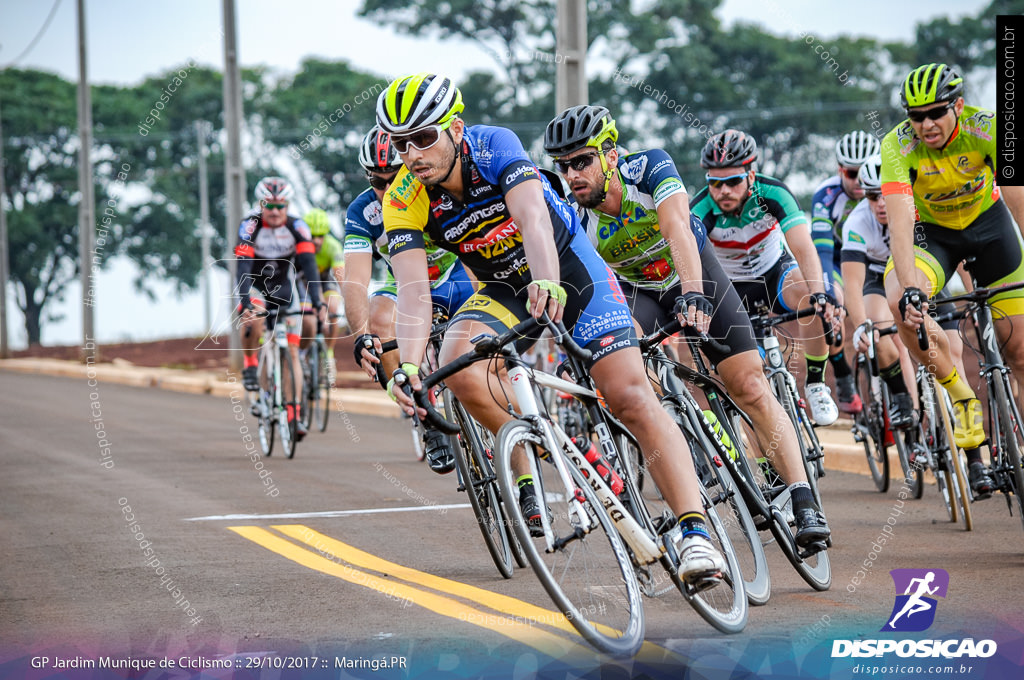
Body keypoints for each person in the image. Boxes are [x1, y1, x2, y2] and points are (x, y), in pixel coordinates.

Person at [377, 72, 726, 580]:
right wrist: (407, 365)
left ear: (454, 129)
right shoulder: (403, 198)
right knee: (458, 364)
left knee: (627, 394)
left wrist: (548, 280)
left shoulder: (494, 145)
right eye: (401, 143)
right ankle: (553, 442)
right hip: (504, 288)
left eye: (424, 138)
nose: (412, 154)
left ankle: (695, 534)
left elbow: (533, 220)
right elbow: (412, 290)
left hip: (567, 267)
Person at [543, 105, 831, 548]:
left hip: (693, 274)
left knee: (748, 384)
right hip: (638, 291)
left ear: (611, 155)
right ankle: (691, 447)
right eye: (563, 166)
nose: (573, 174)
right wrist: (574, 353)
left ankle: (803, 498)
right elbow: (584, 284)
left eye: (582, 161)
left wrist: (693, 292)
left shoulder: (650, 167)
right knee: (628, 374)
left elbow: (677, 226)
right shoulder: (573, 213)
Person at [882, 63, 1024, 498]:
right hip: (932, 235)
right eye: (916, 115)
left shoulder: (990, 128)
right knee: (899, 304)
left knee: (1019, 350)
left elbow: (1019, 202)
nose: (925, 124)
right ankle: (962, 399)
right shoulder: (896, 146)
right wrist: (910, 289)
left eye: (936, 113)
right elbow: (902, 225)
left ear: (958, 106)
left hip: (989, 224)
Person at [342, 124, 476, 472]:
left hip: (453, 274)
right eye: (377, 182)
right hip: (404, 284)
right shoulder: (362, 213)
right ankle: (427, 421)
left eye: (394, 178)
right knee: (379, 317)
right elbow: (356, 280)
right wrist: (360, 336)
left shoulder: (434, 188)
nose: (387, 190)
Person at [690, 130, 840, 427]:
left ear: (751, 175)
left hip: (773, 272)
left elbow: (802, 247)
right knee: (744, 376)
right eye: (714, 183)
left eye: (733, 181)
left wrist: (821, 293)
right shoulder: (699, 210)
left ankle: (815, 384)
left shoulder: (773, 193)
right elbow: (690, 266)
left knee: (812, 299)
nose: (723, 191)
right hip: (731, 287)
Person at [236, 177, 325, 439]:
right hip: (254, 285)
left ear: (287, 206)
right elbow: (241, 267)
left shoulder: (298, 226)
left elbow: (309, 266)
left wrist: (318, 301)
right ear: (261, 205)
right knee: (254, 319)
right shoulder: (249, 226)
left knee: (292, 353)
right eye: (269, 206)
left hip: (285, 289)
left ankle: (293, 413)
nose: (275, 212)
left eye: (280, 206)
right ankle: (251, 364)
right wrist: (244, 301)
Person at [810, 130, 881, 414]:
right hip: (839, 260)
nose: (861, 181)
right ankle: (841, 375)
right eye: (853, 173)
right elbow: (823, 253)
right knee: (831, 309)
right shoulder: (825, 196)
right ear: (840, 170)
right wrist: (830, 295)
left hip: (875, 259)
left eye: (866, 172)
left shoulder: (885, 192)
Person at [303, 208, 345, 383]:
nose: (316, 240)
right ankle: (303, 355)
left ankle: (328, 353)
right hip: (304, 283)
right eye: (312, 235)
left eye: (320, 235)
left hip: (325, 280)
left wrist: (350, 302)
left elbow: (340, 276)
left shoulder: (333, 246)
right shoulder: (300, 245)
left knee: (333, 308)